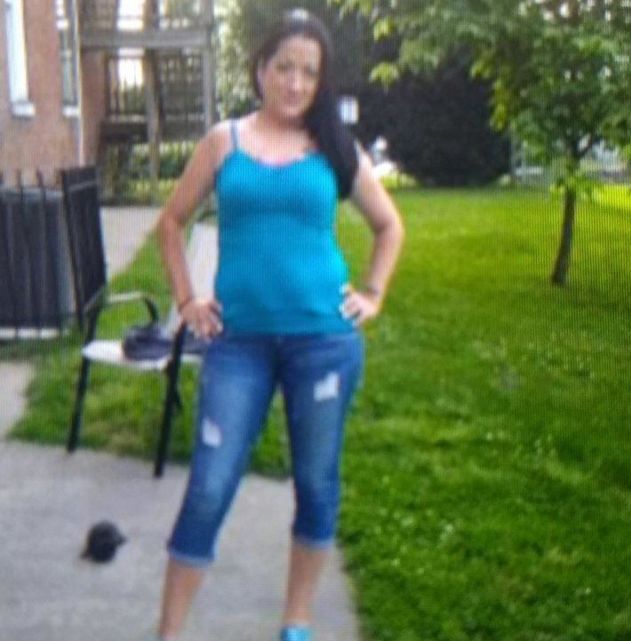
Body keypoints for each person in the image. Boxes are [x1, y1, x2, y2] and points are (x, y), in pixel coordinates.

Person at [153, 8, 404, 641]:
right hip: (238, 346)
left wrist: (373, 293)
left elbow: (389, 226)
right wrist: (187, 301)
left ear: (321, 82)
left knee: (316, 483)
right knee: (209, 486)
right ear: (261, 68)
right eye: (284, 67)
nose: (295, 83)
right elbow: (171, 222)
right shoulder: (225, 142)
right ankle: (169, 632)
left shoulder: (333, 147)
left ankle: (296, 621)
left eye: (309, 73)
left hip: (324, 344)